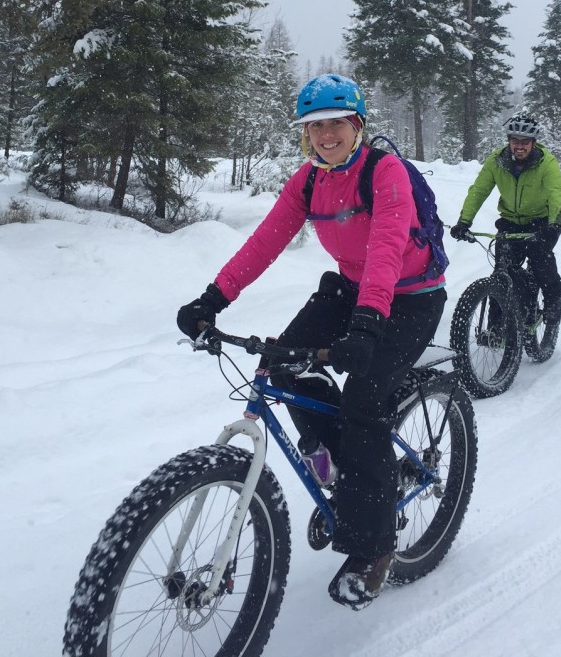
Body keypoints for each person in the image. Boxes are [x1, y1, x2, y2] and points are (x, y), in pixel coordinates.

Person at [176, 73, 447, 611]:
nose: (326, 135)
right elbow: (265, 241)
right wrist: (213, 298)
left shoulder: (384, 172)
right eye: (314, 126)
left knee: (364, 403)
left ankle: (373, 549)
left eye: (336, 124)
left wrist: (369, 324)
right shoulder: (308, 181)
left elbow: (389, 247)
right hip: (351, 289)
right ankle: (345, 467)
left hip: (411, 296)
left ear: (357, 126)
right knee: (281, 365)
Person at [450, 113, 561, 324]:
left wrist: (553, 224)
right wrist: (464, 221)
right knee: (502, 271)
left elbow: (557, 192)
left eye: (525, 142)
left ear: (533, 143)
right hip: (510, 221)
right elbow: (479, 190)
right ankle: (496, 327)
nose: (519, 146)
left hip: (542, 221)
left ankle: (552, 302)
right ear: (509, 141)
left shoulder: (546, 163)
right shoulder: (497, 161)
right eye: (515, 141)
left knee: (541, 258)